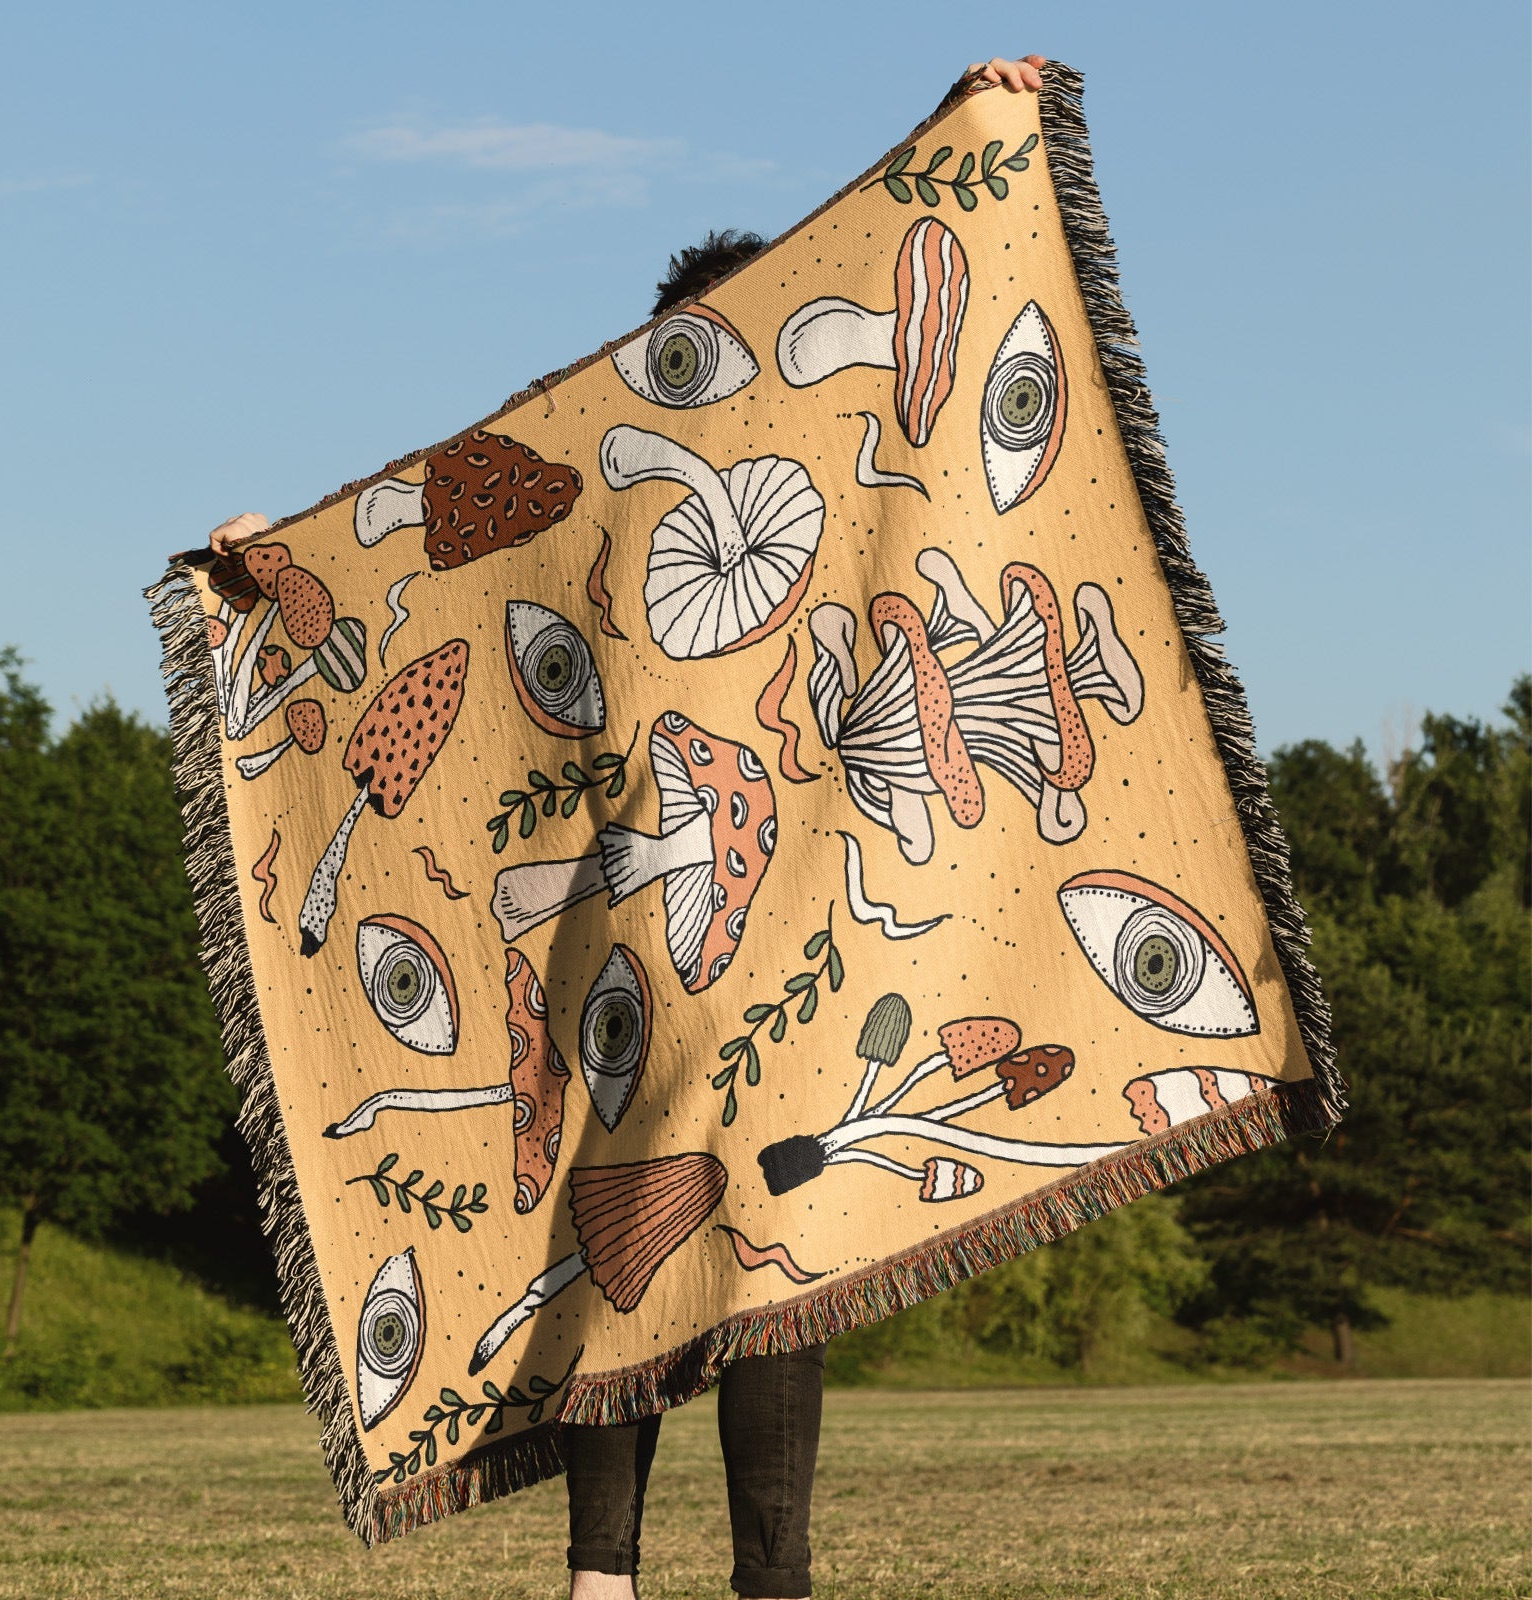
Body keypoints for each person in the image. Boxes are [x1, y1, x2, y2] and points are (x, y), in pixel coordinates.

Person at [194, 52, 1044, 1600]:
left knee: (775, 1249)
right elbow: (429, 568)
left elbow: (961, 338)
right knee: (620, 1220)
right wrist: (278, 569)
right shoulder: (596, 484)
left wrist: (979, 119)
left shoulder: (853, 493)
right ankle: (605, 1578)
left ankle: (767, 1575)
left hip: (797, 934)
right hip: (629, 930)